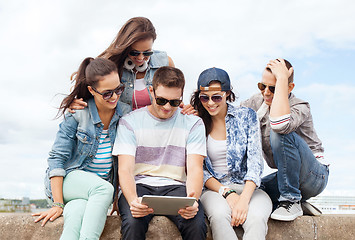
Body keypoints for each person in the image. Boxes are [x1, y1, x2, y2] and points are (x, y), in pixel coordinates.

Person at [32, 57, 131, 239]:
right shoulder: (78, 114)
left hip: (93, 194)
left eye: (119, 89)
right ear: (92, 91)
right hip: (68, 182)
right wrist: (58, 204)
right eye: (107, 93)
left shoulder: (125, 114)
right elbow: (56, 158)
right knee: (104, 189)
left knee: (75, 217)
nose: (115, 97)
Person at [113, 66, 207, 240]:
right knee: (133, 223)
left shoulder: (194, 123)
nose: (167, 107)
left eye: (174, 102)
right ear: (151, 91)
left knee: (195, 223)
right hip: (139, 185)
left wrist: (193, 199)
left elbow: (195, 169)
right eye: (162, 100)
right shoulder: (129, 122)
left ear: (181, 97)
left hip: (177, 186)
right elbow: (125, 170)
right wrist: (133, 200)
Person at [241, 59, 329, 221]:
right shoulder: (255, 102)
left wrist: (282, 78)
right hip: (286, 176)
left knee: (278, 131)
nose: (266, 92)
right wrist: (196, 111)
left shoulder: (300, 106)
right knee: (253, 191)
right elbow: (228, 119)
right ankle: (298, 204)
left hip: (314, 175)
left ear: (289, 87)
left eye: (273, 88)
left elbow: (280, 125)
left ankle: (290, 199)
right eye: (262, 86)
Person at [191, 67, 272, 240]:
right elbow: (200, 170)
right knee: (220, 217)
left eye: (216, 97)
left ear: (227, 93)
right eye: (204, 97)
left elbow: (255, 162)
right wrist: (226, 193)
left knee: (256, 219)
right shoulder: (196, 122)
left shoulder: (247, 116)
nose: (210, 103)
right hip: (214, 190)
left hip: (249, 189)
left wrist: (243, 200)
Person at [71, 17, 179, 111]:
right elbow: (95, 90)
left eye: (147, 52)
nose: (141, 58)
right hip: (122, 129)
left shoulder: (165, 63)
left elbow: (175, 96)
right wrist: (73, 102)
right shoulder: (112, 66)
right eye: (134, 53)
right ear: (126, 47)